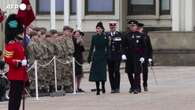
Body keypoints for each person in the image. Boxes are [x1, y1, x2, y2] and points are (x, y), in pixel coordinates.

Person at [4, 14, 29, 110]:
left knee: (18, 98)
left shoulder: (18, 44)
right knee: (14, 98)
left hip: (21, 75)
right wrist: (19, 63)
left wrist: (25, 62)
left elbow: (22, 56)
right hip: (15, 75)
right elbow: (7, 59)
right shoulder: (11, 44)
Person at [123, 20, 146, 94]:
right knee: (129, 72)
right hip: (129, 56)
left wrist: (143, 56)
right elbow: (123, 46)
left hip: (137, 56)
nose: (132, 27)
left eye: (134, 26)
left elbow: (144, 47)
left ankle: (137, 87)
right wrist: (123, 54)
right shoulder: (126, 35)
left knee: (137, 72)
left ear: (136, 26)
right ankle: (132, 86)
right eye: (131, 26)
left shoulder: (140, 35)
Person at [88, 22, 109, 95]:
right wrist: (89, 57)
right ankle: (97, 89)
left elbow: (108, 47)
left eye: (99, 28)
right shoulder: (94, 37)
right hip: (96, 56)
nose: (97, 29)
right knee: (96, 73)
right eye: (96, 28)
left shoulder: (105, 36)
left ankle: (103, 86)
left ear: (102, 29)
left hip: (103, 55)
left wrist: (108, 56)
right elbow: (91, 47)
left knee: (102, 73)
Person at [106, 21, 123, 93]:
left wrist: (122, 54)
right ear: (109, 27)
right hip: (109, 56)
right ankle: (112, 87)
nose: (112, 28)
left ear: (115, 27)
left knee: (116, 71)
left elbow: (122, 45)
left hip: (117, 56)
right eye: (111, 27)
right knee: (110, 72)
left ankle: (117, 87)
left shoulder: (119, 34)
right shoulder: (107, 35)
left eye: (113, 27)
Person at [137, 23, 153, 91]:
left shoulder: (146, 36)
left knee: (145, 71)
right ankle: (138, 86)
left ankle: (145, 84)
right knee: (137, 71)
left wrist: (150, 57)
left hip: (145, 56)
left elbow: (149, 48)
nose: (140, 29)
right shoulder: (135, 35)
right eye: (138, 28)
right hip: (137, 56)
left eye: (140, 28)